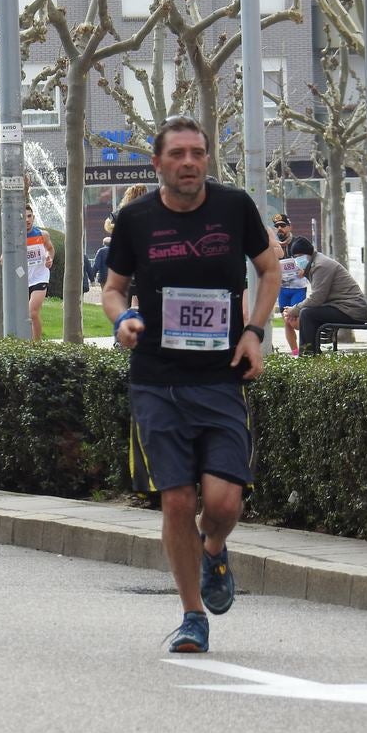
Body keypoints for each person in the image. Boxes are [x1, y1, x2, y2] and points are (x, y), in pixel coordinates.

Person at [102, 117, 280, 653]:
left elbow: (269, 270)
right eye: (177, 153)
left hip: (220, 378)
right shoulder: (135, 218)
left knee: (223, 504)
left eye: (197, 153)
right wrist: (120, 321)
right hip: (156, 379)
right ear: (157, 163)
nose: (189, 162)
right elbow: (114, 289)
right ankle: (192, 615)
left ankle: (214, 548)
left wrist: (253, 333)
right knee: (177, 501)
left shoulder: (234, 207)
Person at [282, 237, 367, 356]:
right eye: (295, 257)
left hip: (352, 309)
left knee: (307, 313)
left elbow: (316, 298)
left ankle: (308, 356)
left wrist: (295, 309)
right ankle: (313, 353)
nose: (297, 260)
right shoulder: (315, 263)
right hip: (344, 308)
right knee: (306, 313)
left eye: (299, 256)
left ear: (309, 253)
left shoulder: (320, 265)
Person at [271, 213, 309, 356]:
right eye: (277, 226)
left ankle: (307, 348)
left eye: (282, 226)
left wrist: (304, 269)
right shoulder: (274, 246)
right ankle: (295, 353)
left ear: (289, 226)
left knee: (297, 322)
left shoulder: (298, 242)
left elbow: (308, 261)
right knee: (287, 321)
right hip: (282, 290)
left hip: (298, 289)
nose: (280, 229)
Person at [25, 204, 55, 340]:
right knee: (22, 314)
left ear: (33, 217)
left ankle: (36, 346)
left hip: (40, 277)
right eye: (24, 217)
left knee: (33, 312)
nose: (27, 220)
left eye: (29, 216)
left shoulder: (42, 235)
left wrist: (50, 258)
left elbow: (50, 249)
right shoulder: (14, 237)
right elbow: (5, 256)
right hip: (22, 280)